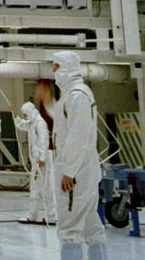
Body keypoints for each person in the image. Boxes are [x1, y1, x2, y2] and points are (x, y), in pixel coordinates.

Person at [51, 50, 105, 260]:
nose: (54, 72)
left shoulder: (77, 96)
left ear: (65, 67)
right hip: (80, 171)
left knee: (70, 229)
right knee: (91, 225)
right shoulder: (74, 94)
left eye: (56, 67)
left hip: (76, 174)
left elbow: (78, 137)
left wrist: (69, 171)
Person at [15, 99, 55, 224]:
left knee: (46, 189)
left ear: (30, 111)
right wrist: (14, 116)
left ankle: (51, 216)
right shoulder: (32, 123)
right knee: (36, 189)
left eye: (26, 114)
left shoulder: (39, 123)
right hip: (36, 163)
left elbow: (44, 140)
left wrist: (42, 158)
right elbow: (22, 125)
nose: (26, 117)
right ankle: (34, 215)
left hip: (41, 163)